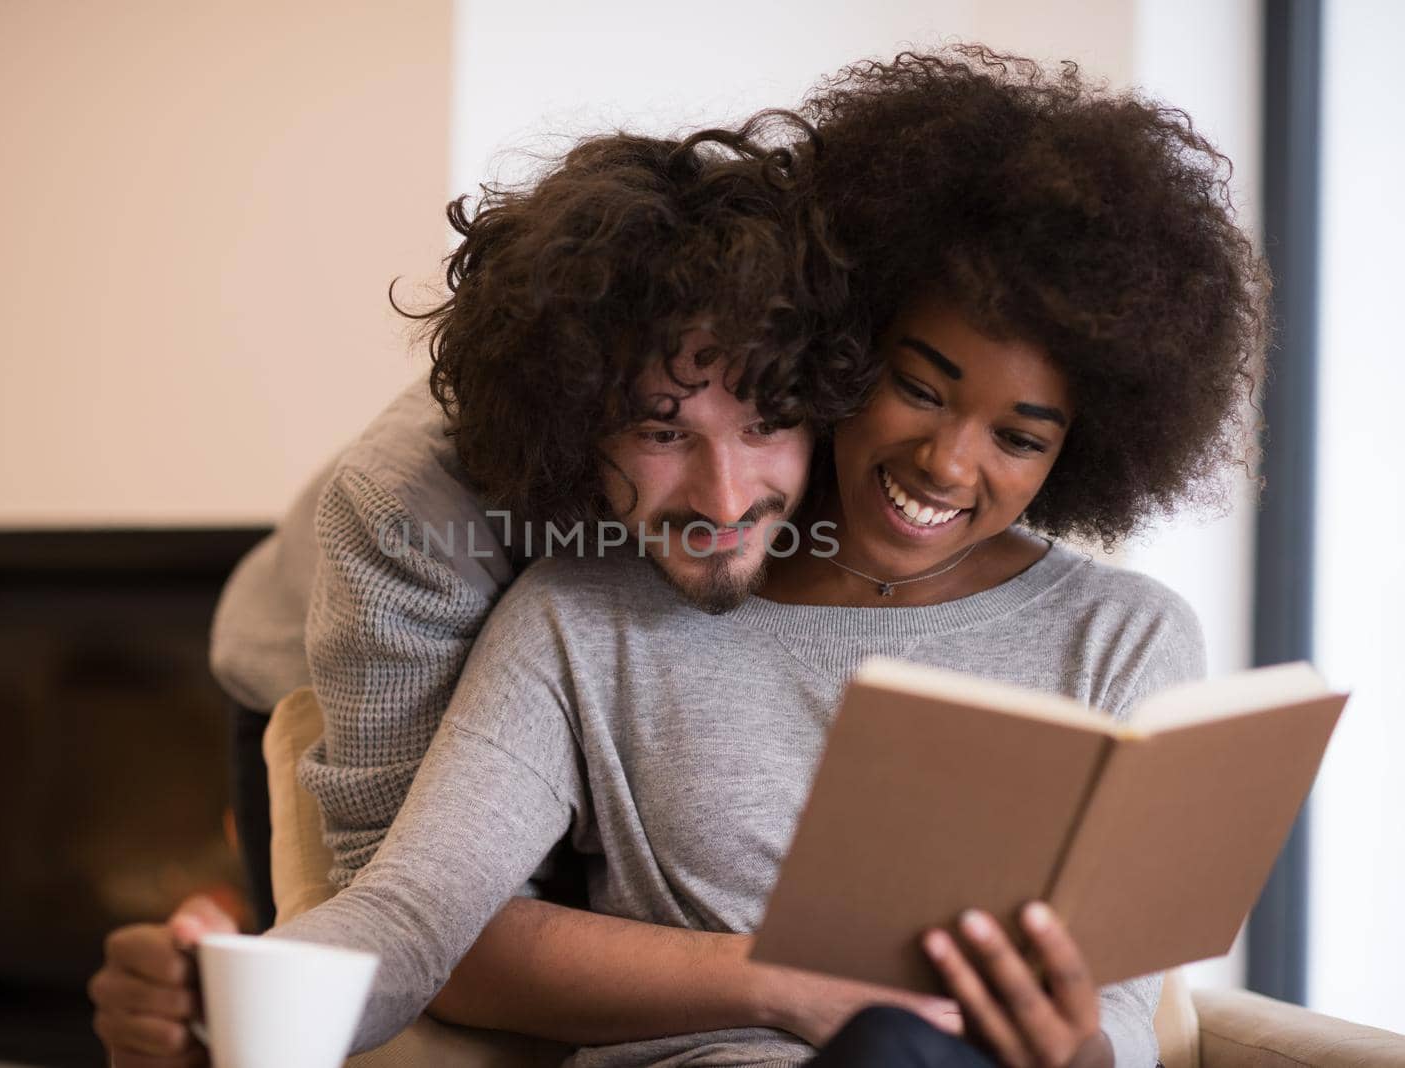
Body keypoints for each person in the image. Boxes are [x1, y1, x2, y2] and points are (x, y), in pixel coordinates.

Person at [92, 46, 1267, 1068]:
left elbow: (1116, 1018)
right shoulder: (565, 607)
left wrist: (1068, 1049)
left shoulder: (1127, 635)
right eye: (662, 430)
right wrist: (226, 997)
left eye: (1017, 436)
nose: (951, 466)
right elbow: (412, 916)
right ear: (855, 360)